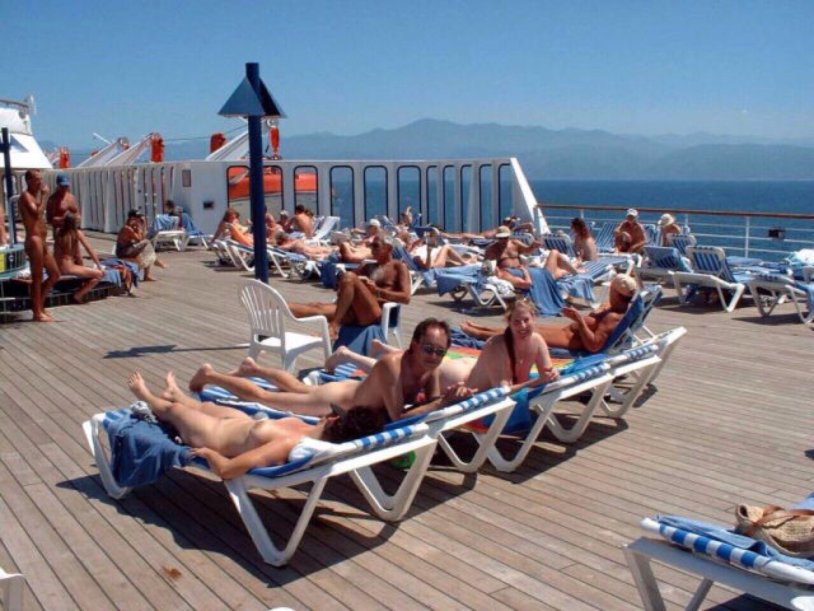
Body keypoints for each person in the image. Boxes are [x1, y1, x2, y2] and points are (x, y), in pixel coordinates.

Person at [189, 318, 469, 422]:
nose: (434, 356)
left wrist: (451, 397)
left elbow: (433, 404)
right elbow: (398, 417)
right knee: (267, 398)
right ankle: (210, 376)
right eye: (428, 349)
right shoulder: (391, 366)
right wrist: (443, 401)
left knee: (299, 388)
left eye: (439, 351)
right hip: (334, 402)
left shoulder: (432, 367)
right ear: (414, 344)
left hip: (349, 391)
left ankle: (254, 367)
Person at [127, 371, 387, 480]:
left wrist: (209, 455)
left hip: (216, 437)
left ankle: (146, 397)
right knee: (204, 407)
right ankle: (175, 392)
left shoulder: (289, 443)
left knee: (175, 411)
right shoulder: (307, 432)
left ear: (332, 419)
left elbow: (228, 470)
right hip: (241, 425)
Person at [327, 299, 559, 393]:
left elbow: (548, 372)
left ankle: (383, 347)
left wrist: (551, 374)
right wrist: (538, 381)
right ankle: (347, 354)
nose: (522, 326)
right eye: (516, 321)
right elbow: (503, 390)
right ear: (508, 323)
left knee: (414, 361)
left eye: (526, 320)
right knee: (401, 372)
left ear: (534, 319)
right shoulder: (498, 346)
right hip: (457, 377)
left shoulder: (537, 341)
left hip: (472, 367)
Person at [460, 274, 638, 353]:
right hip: (567, 333)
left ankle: (479, 334)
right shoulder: (616, 308)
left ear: (615, 292)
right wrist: (599, 311)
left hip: (570, 341)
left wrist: (579, 320)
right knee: (526, 328)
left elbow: (594, 346)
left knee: (522, 333)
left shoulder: (614, 317)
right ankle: (481, 328)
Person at [289, 235, 411, 338]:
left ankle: (334, 326)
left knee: (350, 276)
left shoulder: (398, 267)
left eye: (376, 246)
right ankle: (273, 308)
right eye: (370, 246)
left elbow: (406, 297)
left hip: (377, 313)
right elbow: (344, 282)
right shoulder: (368, 266)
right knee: (316, 307)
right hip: (355, 309)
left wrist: (377, 291)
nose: (372, 249)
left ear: (388, 248)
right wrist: (340, 283)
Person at [20, 170, 60, 321]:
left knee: (55, 274)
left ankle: (38, 305)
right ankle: (37, 312)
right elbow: (36, 213)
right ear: (29, 181)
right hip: (34, 240)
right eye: (37, 180)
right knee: (37, 277)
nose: (40, 183)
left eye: (41, 179)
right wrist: (44, 196)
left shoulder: (34, 197)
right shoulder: (26, 196)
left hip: (42, 240)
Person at [53, 213, 105, 303]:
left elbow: (56, 251)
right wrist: (98, 265)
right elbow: (89, 249)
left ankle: (79, 290)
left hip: (58, 266)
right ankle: (78, 295)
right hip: (68, 267)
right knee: (99, 274)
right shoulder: (76, 233)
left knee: (84, 269)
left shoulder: (58, 232)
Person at [116, 211, 163, 281]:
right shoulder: (127, 228)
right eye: (137, 218)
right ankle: (153, 264)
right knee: (146, 243)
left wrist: (142, 226)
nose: (139, 220)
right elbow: (140, 239)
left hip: (128, 249)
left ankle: (149, 271)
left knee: (147, 249)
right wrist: (141, 226)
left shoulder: (132, 227)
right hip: (123, 251)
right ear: (132, 219)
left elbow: (142, 238)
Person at [484, 225, 532, 289]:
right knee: (525, 284)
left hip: (520, 269)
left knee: (540, 276)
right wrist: (497, 273)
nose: (503, 240)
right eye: (501, 238)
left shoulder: (515, 243)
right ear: (497, 238)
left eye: (505, 238)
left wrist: (533, 246)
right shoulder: (492, 249)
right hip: (506, 273)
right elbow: (489, 266)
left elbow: (527, 250)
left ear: (509, 236)